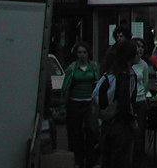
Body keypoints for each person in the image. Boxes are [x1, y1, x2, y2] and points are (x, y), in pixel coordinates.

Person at [59, 40, 100, 168]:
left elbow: (98, 85)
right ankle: (77, 160)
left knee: (92, 131)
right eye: (80, 52)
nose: (82, 55)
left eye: (84, 52)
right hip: (74, 103)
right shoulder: (72, 68)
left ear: (88, 54)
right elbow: (65, 88)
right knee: (75, 133)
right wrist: (62, 106)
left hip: (89, 103)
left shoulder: (93, 67)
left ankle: (92, 160)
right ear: (76, 54)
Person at [98, 38, 138, 168]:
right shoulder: (128, 75)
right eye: (136, 52)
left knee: (107, 158)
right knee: (119, 159)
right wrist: (132, 120)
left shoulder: (111, 71)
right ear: (129, 56)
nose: (139, 54)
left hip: (107, 121)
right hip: (120, 124)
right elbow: (125, 101)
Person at [131, 38, 151, 168]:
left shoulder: (144, 65)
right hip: (130, 101)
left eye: (142, 46)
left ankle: (139, 159)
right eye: (138, 46)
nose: (140, 49)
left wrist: (143, 94)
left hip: (140, 100)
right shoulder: (129, 64)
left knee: (140, 131)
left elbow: (145, 83)